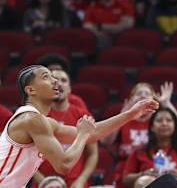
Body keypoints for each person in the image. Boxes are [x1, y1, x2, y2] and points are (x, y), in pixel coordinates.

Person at [0, 65, 157, 186]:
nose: (55, 81)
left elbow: (93, 133)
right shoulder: (31, 119)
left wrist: (130, 114)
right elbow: (64, 165)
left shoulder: (44, 122)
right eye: (46, 77)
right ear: (31, 90)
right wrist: (82, 135)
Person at [34, 68, 97, 188]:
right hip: (44, 182)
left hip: (75, 183)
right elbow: (25, 153)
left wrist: (81, 180)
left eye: (63, 80)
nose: (59, 83)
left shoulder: (83, 116)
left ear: (69, 88)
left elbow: (92, 154)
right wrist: (42, 181)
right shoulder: (36, 116)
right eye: (54, 80)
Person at [122, 108, 177, 188]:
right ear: (152, 127)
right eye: (159, 121)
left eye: (168, 120)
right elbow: (125, 179)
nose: (164, 124)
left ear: (175, 126)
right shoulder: (139, 151)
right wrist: (143, 174)